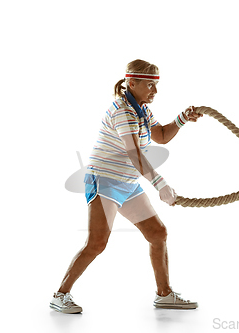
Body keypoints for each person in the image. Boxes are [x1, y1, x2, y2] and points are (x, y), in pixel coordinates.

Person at [50, 59, 203, 314]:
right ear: (132, 83)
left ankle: (164, 295)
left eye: (156, 85)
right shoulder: (123, 110)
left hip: (128, 182)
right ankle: (60, 294)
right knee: (97, 243)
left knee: (158, 234)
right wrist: (160, 184)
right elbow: (134, 154)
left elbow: (162, 136)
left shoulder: (142, 109)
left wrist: (182, 119)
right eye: (150, 85)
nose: (155, 91)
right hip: (104, 180)